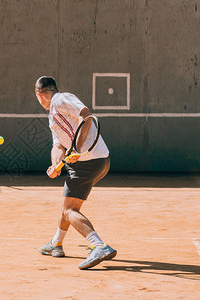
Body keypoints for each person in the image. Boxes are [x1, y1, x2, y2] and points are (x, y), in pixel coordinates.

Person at [35, 76, 117, 270]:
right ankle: (56, 244)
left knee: (69, 210)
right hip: (93, 162)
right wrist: (55, 164)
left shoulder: (61, 99)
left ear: (39, 95)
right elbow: (58, 146)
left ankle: (99, 246)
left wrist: (77, 150)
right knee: (68, 204)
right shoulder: (53, 117)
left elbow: (86, 117)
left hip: (88, 161)